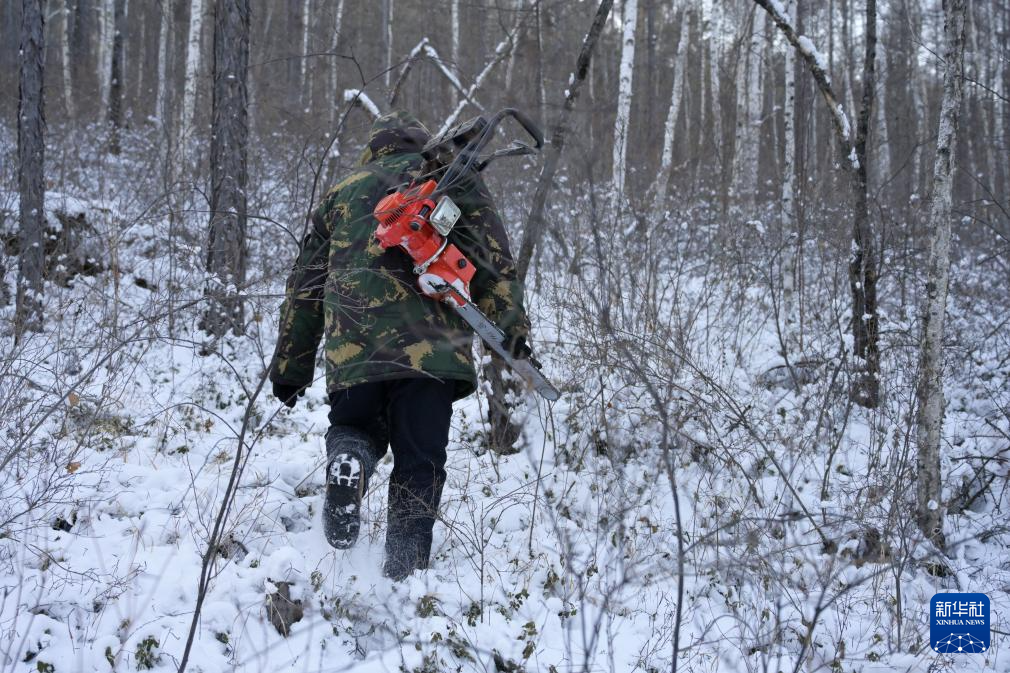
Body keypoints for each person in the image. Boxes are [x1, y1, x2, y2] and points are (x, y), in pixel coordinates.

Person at [269, 110, 530, 580]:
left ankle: (350, 460)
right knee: (419, 459)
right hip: (433, 351)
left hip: (354, 349)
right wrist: (512, 332)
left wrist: (291, 365)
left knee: (356, 427)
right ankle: (402, 573)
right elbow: (495, 264)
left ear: (374, 148)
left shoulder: (340, 195)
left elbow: (304, 285)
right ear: (422, 143)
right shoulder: (451, 179)